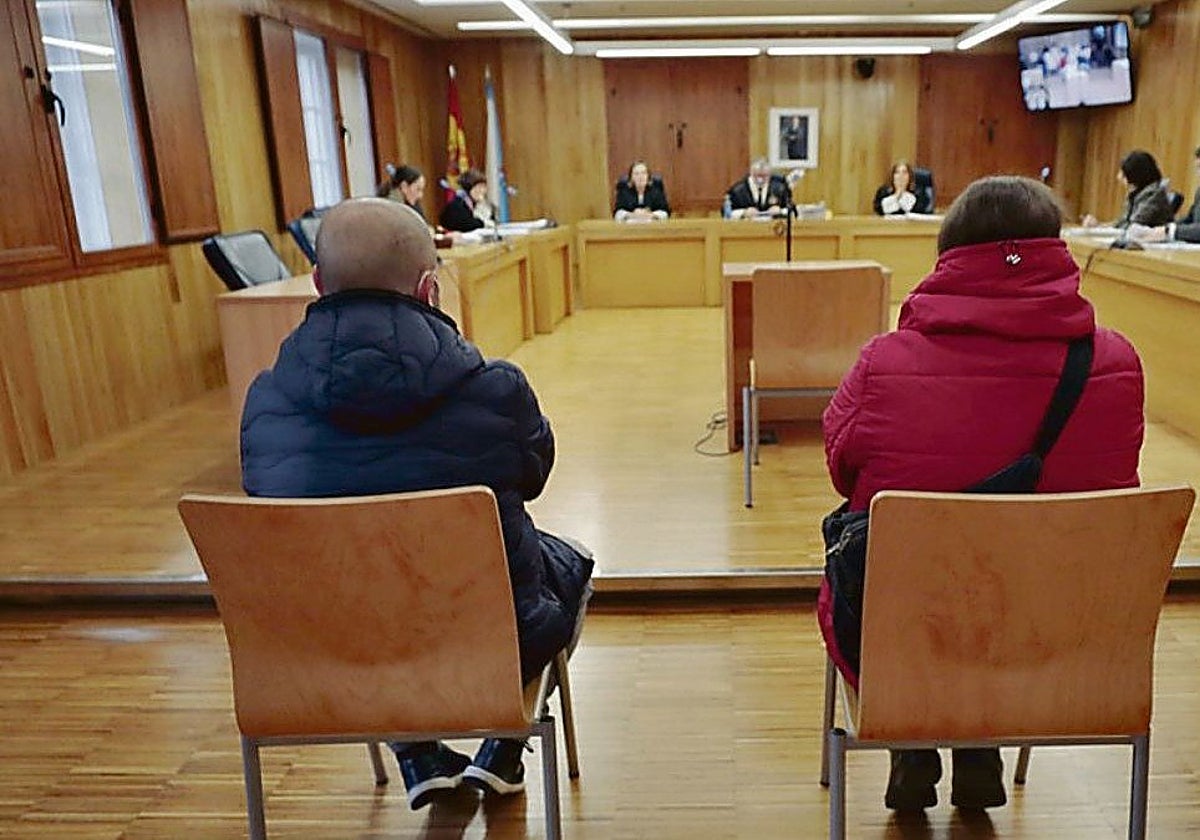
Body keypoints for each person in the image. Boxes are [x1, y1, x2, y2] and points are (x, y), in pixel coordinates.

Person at [240, 198, 595, 811]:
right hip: (487, 641)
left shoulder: (266, 403)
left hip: (331, 649)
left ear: (318, 284)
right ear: (430, 289)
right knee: (570, 563)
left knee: (367, 576)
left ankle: (416, 751)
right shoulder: (495, 390)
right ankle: (505, 744)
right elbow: (535, 473)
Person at [821, 176, 1143, 814]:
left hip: (909, 632)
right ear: (1055, 250)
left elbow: (841, 466)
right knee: (1009, 580)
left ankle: (913, 740)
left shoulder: (884, 363)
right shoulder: (1116, 362)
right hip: (1063, 635)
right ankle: (978, 744)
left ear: (950, 256)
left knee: (886, 556)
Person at [1081, 149, 1173, 229]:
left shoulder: (1154, 196)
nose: (1119, 177)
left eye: (1124, 174)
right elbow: (1122, 222)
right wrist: (1098, 226)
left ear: (1136, 175)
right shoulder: (1138, 193)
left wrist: (1101, 228)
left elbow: (1133, 226)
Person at [1128, 144, 1200, 244]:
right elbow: (1190, 219)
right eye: (1198, 168)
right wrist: (1160, 229)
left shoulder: (1153, 193)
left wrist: (1168, 231)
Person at [725, 158, 790, 219]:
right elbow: (727, 213)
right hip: (746, 225)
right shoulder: (738, 190)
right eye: (757, 176)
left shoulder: (780, 189)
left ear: (770, 174)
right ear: (751, 173)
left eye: (764, 176)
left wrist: (780, 211)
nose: (760, 179)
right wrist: (744, 212)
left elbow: (791, 209)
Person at [439, 168, 491, 232]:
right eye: (479, 187)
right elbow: (469, 225)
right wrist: (483, 223)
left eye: (484, 187)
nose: (482, 191)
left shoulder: (473, 204)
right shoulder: (457, 205)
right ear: (468, 187)